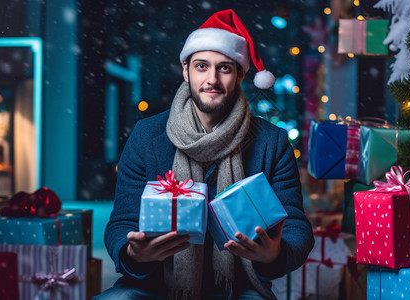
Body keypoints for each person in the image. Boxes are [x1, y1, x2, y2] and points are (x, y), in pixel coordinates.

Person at [95, 9, 314, 300]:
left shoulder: (271, 142)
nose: (212, 79)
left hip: (239, 285)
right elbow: (122, 221)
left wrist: (274, 253)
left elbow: (297, 226)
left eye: (224, 68)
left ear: (240, 74)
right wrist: (133, 252)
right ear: (185, 70)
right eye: (201, 66)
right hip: (153, 284)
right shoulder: (147, 135)